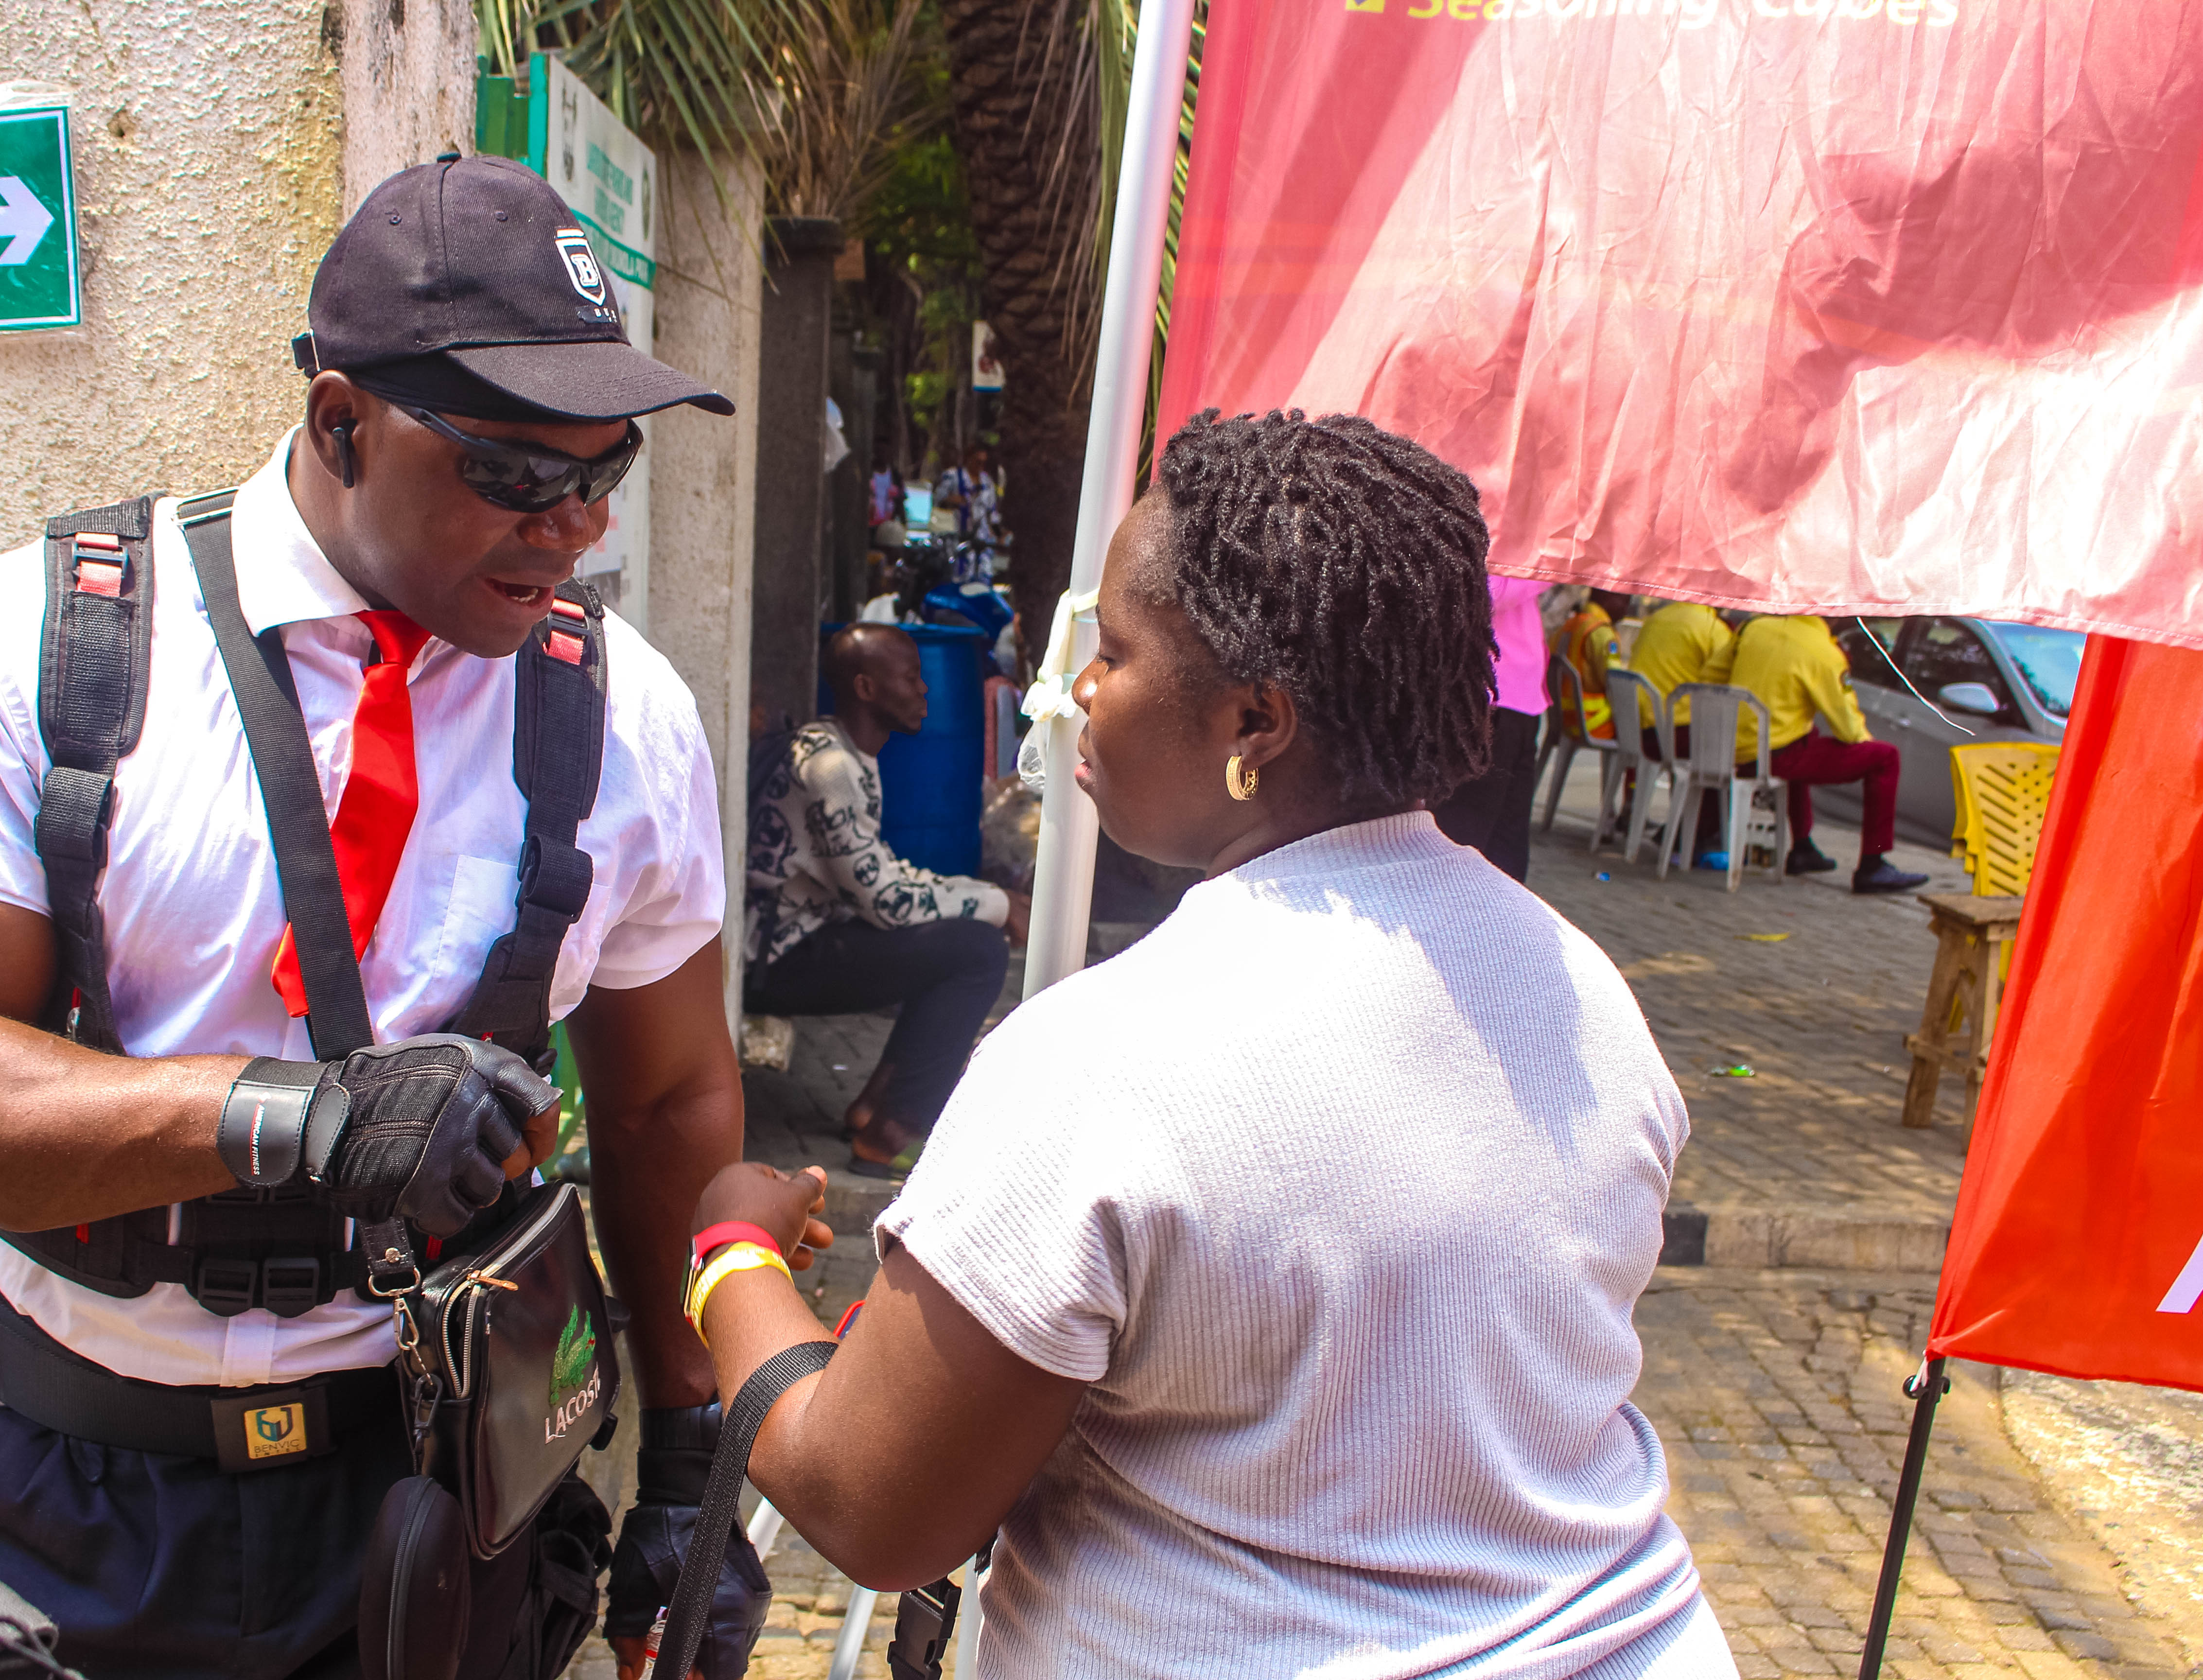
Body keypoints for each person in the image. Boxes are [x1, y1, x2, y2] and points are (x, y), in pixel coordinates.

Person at [0, 158, 770, 1680]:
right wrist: (279, 1121)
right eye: (517, 472)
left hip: (447, 1507)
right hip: (78, 1507)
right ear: (339, 421)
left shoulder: (622, 716)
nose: (574, 525)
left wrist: (697, 1458)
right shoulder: (52, 651)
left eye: (607, 469)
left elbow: (668, 1099)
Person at [688, 411, 1736, 1680]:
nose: (1076, 695)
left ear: (1254, 724)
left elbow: (869, 1501)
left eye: (1116, 655)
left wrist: (732, 1254)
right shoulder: (1585, 998)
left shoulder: (1104, 1057)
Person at [744, 625, 1029, 1177]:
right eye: (910, 677)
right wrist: (994, 905)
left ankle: (874, 1108)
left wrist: (984, 897)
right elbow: (889, 903)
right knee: (975, 953)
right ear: (867, 689)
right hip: (773, 958)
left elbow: (881, 874)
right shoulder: (831, 769)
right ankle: (893, 1132)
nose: (924, 690)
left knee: (958, 941)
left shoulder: (841, 749)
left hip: (803, 936)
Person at [1727, 613, 1929, 892]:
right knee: (1885, 757)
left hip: (1732, 749)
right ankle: (1873, 862)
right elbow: (1847, 727)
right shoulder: (1823, 653)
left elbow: (1713, 675)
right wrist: (1864, 745)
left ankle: (1803, 847)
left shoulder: (1753, 629)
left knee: (1806, 738)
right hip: (1776, 757)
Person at [1432, 574, 1548, 881]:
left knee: (1506, 845)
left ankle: (1500, 926)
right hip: (1485, 693)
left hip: (1520, 699)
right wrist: (1547, 569)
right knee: (1463, 838)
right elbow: (1480, 591)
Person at [1628, 597, 1737, 864]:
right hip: (1676, 736)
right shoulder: (1712, 629)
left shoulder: (1657, 618)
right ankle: (1697, 837)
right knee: (1724, 757)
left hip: (1639, 730)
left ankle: (1683, 828)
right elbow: (1726, 681)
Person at [1552, 586, 1630, 741]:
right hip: (1593, 722)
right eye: (1624, 600)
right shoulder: (1601, 632)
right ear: (1607, 598)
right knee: (1639, 735)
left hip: (1563, 718)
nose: (1626, 609)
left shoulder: (1570, 624)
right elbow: (1615, 683)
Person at [933, 445, 1005, 583]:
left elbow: (992, 514)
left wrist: (999, 535)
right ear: (969, 459)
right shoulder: (953, 477)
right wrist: (954, 500)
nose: (981, 466)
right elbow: (938, 500)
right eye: (978, 462)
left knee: (982, 580)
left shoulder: (987, 482)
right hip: (958, 541)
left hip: (982, 542)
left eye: (984, 463)